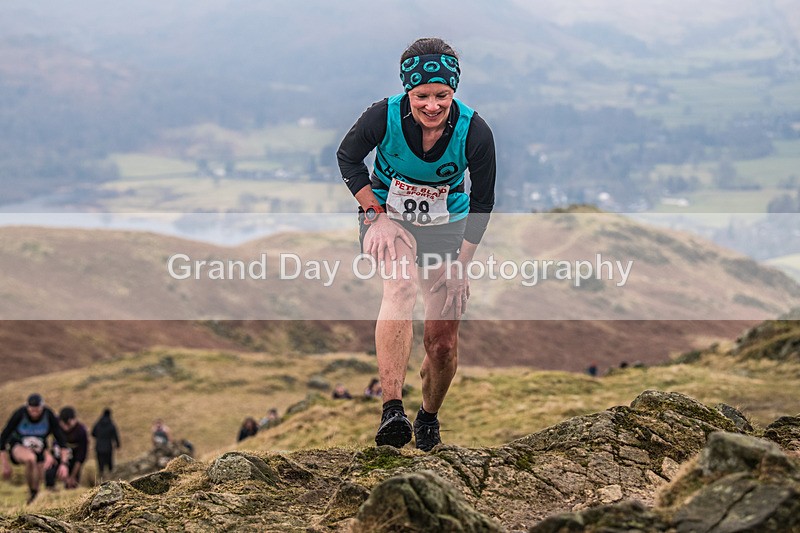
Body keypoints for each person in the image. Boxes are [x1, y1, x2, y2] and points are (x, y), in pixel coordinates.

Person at [337, 37, 496, 452]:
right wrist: (376, 216)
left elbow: (482, 201)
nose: (432, 105)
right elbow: (348, 159)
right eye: (422, 95)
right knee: (401, 286)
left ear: (454, 91)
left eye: (442, 95)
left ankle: (428, 417)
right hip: (387, 216)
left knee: (442, 343)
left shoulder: (474, 132)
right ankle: (392, 409)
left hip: (449, 227)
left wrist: (462, 265)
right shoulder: (381, 116)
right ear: (408, 91)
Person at [0, 394, 70, 503]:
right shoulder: (20, 414)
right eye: (32, 411)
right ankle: (32, 491)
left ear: (42, 408)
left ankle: (34, 496)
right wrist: (5, 464)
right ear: (27, 408)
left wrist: (64, 464)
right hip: (18, 446)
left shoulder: (49, 415)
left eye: (37, 411)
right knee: (30, 458)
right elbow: (3, 439)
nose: (34, 414)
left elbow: (62, 442)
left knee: (40, 474)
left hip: (39, 448)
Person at [45, 407, 88, 490]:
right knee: (49, 473)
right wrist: (48, 454)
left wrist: (72, 476)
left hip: (73, 460)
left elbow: (80, 457)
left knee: (72, 484)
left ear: (74, 419)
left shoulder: (80, 431)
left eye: (68, 424)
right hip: (56, 456)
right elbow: (43, 437)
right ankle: (49, 493)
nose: (65, 427)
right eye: (63, 424)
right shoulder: (55, 424)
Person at [91, 408, 120, 480]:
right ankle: (111, 479)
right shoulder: (111, 424)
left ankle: (101, 479)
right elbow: (115, 435)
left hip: (99, 447)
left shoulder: (98, 423)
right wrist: (118, 444)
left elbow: (93, 433)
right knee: (109, 464)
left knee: (100, 465)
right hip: (108, 448)